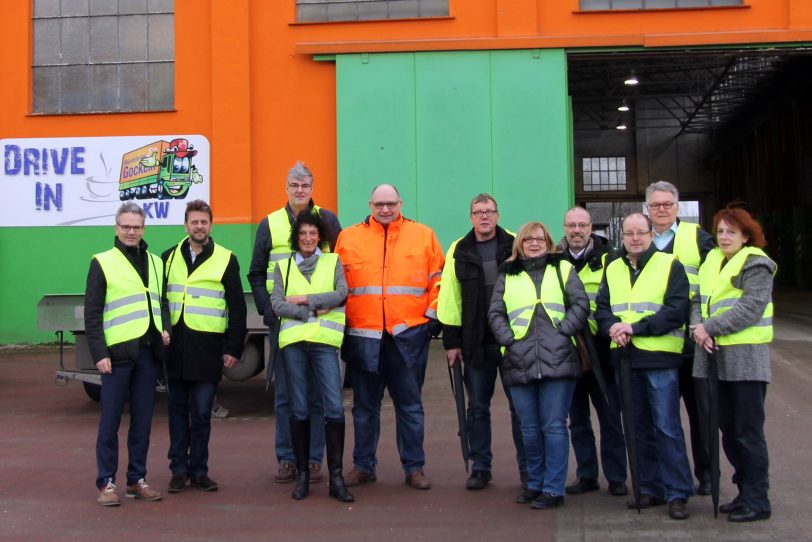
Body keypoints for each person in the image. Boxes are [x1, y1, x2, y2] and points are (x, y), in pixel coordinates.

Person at [335, 184, 444, 490]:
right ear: (370, 204)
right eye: (379, 204)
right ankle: (363, 466)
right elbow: (338, 285)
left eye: (391, 203)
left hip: (407, 336)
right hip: (363, 337)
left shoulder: (424, 236)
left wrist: (431, 322)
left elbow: (439, 281)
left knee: (410, 406)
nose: (385, 209)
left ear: (401, 203)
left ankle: (414, 467)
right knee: (364, 407)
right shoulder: (349, 238)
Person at [594, 212, 694, 520]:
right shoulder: (612, 268)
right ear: (621, 236)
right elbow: (601, 308)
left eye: (640, 232)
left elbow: (677, 311)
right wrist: (612, 326)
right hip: (625, 360)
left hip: (659, 359)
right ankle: (650, 488)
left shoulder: (669, 265)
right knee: (636, 429)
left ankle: (677, 492)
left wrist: (634, 328)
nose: (635, 238)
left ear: (651, 234)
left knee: (666, 427)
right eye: (629, 233)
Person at [247, 162, 342, 484]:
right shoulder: (269, 224)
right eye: (294, 185)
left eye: (305, 185)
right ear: (285, 187)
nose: (299, 190)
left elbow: (341, 269)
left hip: (322, 325)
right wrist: (268, 311)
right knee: (286, 395)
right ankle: (287, 458)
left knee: (317, 396)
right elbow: (256, 273)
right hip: (285, 324)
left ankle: (314, 460)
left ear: (312, 188)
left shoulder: (327, 221)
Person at [488, 221, 589, 510]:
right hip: (519, 360)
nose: (534, 244)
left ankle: (553, 488)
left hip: (558, 360)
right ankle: (534, 483)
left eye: (540, 239)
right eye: (528, 239)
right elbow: (495, 313)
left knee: (554, 426)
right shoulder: (507, 274)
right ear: (519, 244)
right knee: (529, 429)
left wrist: (563, 331)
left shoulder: (563, 269)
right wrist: (509, 339)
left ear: (548, 243)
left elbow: (580, 304)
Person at [690, 207, 776, 522]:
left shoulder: (756, 264)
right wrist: (698, 328)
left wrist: (708, 328)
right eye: (721, 231)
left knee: (747, 431)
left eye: (731, 231)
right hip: (713, 356)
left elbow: (751, 307)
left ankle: (758, 499)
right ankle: (742, 493)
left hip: (745, 360)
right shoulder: (711, 261)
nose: (724, 237)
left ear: (745, 235)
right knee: (727, 430)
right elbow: (697, 301)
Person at [437, 194, 527, 490]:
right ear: (471, 217)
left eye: (489, 211)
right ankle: (481, 466)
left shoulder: (516, 243)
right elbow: (450, 297)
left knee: (521, 407)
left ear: (498, 215)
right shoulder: (458, 249)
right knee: (477, 407)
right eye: (478, 212)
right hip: (475, 342)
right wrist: (451, 342)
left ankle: (528, 467)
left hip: (513, 341)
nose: (484, 217)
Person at [84, 202, 169, 506]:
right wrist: (99, 353)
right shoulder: (102, 262)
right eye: (126, 226)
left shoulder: (156, 262)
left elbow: (162, 302)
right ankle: (106, 482)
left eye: (137, 226)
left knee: (143, 421)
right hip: (116, 356)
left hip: (147, 353)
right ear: (116, 228)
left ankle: (136, 480)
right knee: (109, 423)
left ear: (143, 229)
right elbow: (92, 313)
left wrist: (165, 327)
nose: (131, 231)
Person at [162, 200, 247, 494]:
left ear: (211, 225)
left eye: (204, 222)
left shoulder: (227, 259)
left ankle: (199, 471)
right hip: (175, 350)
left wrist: (234, 347)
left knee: (200, 413)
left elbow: (237, 307)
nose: (199, 226)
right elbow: (160, 302)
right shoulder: (168, 258)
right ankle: (178, 470)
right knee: (176, 413)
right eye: (194, 221)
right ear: (185, 225)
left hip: (207, 349)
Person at [270, 211, 353, 503]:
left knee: (334, 407)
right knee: (299, 408)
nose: (308, 238)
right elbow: (277, 304)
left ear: (320, 237)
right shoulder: (283, 266)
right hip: (293, 344)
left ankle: (337, 478)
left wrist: (305, 300)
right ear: (297, 237)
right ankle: (303, 476)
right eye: (303, 234)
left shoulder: (332, 261)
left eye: (313, 234)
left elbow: (341, 294)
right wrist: (312, 311)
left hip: (325, 344)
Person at [646, 180, 715, 495]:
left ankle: (707, 476)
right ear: (647, 209)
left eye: (667, 204)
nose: (661, 209)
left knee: (701, 414)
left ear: (677, 207)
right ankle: (666, 477)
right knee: (660, 419)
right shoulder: (640, 241)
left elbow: (714, 285)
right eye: (655, 205)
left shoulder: (699, 239)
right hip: (658, 346)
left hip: (692, 345)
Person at [557, 207, 628, 497]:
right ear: (564, 227)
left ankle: (617, 477)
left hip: (602, 351)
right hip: (570, 352)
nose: (577, 230)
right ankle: (587, 475)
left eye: (582, 225)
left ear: (591, 228)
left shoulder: (611, 259)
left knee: (611, 417)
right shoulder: (555, 261)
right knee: (578, 420)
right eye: (571, 225)